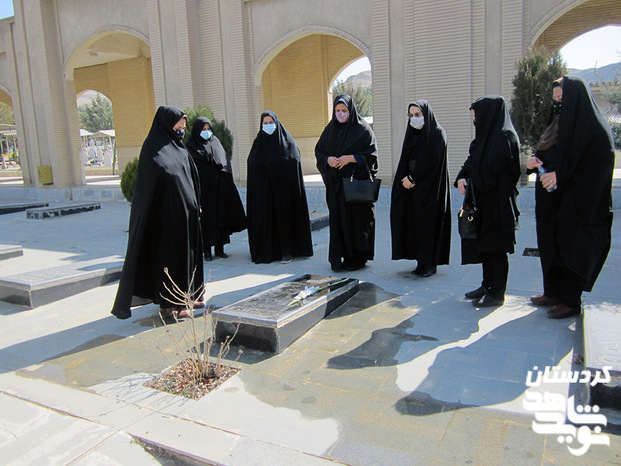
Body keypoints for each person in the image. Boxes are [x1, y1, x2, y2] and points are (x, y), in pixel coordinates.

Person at [525, 76, 614, 319]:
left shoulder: (594, 130)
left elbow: (597, 167)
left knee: (572, 248)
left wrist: (560, 175)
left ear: (576, 99)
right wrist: (535, 162)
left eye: (561, 99)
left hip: (577, 205)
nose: (557, 104)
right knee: (552, 245)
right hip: (552, 201)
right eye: (555, 99)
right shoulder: (558, 125)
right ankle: (553, 292)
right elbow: (550, 154)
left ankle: (570, 300)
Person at [111, 106, 204, 320]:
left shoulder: (179, 149)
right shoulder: (152, 148)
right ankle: (169, 305)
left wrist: (196, 203)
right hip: (165, 220)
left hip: (186, 218)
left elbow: (191, 179)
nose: (180, 132)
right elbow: (148, 186)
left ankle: (189, 295)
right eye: (177, 128)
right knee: (169, 260)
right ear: (166, 125)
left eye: (183, 128)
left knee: (188, 257)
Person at [456, 95, 521, 307]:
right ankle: (487, 285)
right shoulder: (484, 137)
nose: (475, 121)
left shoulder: (505, 138)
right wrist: (461, 177)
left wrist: (471, 177)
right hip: (483, 203)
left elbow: (490, 170)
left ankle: (497, 292)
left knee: (497, 249)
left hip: (498, 206)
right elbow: (471, 161)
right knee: (485, 246)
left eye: (477, 116)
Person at [315, 94, 378, 272]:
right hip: (337, 187)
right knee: (339, 222)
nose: (340, 114)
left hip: (355, 186)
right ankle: (339, 258)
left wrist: (350, 158)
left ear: (351, 111)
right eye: (337, 111)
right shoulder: (330, 130)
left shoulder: (363, 130)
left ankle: (358, 258)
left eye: (344, 110)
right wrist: (327, 160)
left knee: (357, 222)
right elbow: (319, 151)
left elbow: (372, 156)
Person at [390, 100, 451, 277]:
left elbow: (433, 163)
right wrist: (405, 179)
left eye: (418, 115)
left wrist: (413, 178)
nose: (414, 119)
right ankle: (420, 261)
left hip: (430, 190)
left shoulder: (437, 134)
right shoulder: (413, 133)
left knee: (428, 226)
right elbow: (406, 158)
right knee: (414, 225)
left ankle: (430, 264)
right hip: (412, 189)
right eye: (411, 115)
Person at [246, 111, 313, 264]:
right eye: (265, 123)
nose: (268, 125)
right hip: (265, 194)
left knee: (284, 220)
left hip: (284, 193)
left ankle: (286, 251)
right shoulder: (258, 144)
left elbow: (293, 160)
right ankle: (268, 251)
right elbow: (253, 165)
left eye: (271, 122)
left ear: (276, 123)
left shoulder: (287, 144)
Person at [186, 116, 247, 261]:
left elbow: (224, 161)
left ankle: (220, 248)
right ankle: (207, 250)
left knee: (220, 218)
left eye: (208, 129)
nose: (206, 132)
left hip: (219, 189)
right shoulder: (190, 146)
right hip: (203, 191)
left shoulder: (215, 142)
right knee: (207, 221)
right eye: (203, 129)